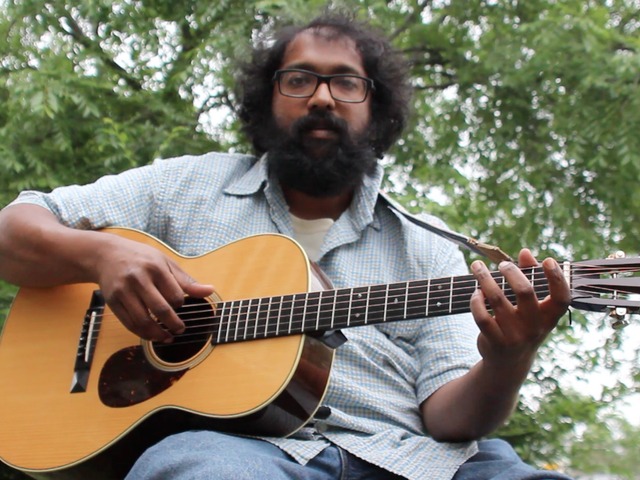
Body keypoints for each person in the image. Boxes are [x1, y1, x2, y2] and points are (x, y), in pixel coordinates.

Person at [0, 12, 573, 480]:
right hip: (236, 454)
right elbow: (12, 231)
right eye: (299, 79)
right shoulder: (187, 186)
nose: (322, 98)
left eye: (346, 82)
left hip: (416, 459)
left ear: (376, 110)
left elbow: (452, 419)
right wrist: (101, 256)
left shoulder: (426, 244)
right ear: (266, 99)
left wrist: (509, 358)